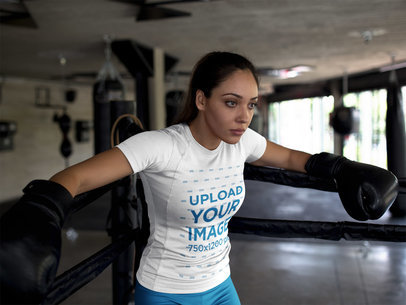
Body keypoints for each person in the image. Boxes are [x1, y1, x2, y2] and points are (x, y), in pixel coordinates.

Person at [0, 51, 398, 305]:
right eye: (231, 103)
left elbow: (293, 158)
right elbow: (78, 178)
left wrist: (342, 168)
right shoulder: (161, 146)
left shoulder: (242, 141)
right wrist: (42, 211)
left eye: (251, 105)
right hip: (166, 291)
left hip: (221, 284)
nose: (244, 116)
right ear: (201, 99)